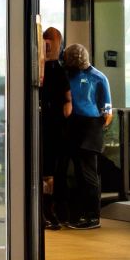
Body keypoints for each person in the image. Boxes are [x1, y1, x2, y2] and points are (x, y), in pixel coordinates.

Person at [60, 43, 113, 230]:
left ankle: (92, 216)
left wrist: (99, 127)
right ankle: (78, 213)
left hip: (90, 126)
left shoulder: (98, 77)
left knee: (88, 174)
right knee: (76, 175)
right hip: (73, 124)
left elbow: (107, 110)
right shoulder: (67, 75)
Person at [38, 27, 70, 230]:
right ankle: (48, 211)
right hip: (54, 126)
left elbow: (68, 101)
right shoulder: (58, 71)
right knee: (49, 171)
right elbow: (68, 102)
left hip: (50, 126)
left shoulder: (53, 71)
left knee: (48, 171)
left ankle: (47, 211)